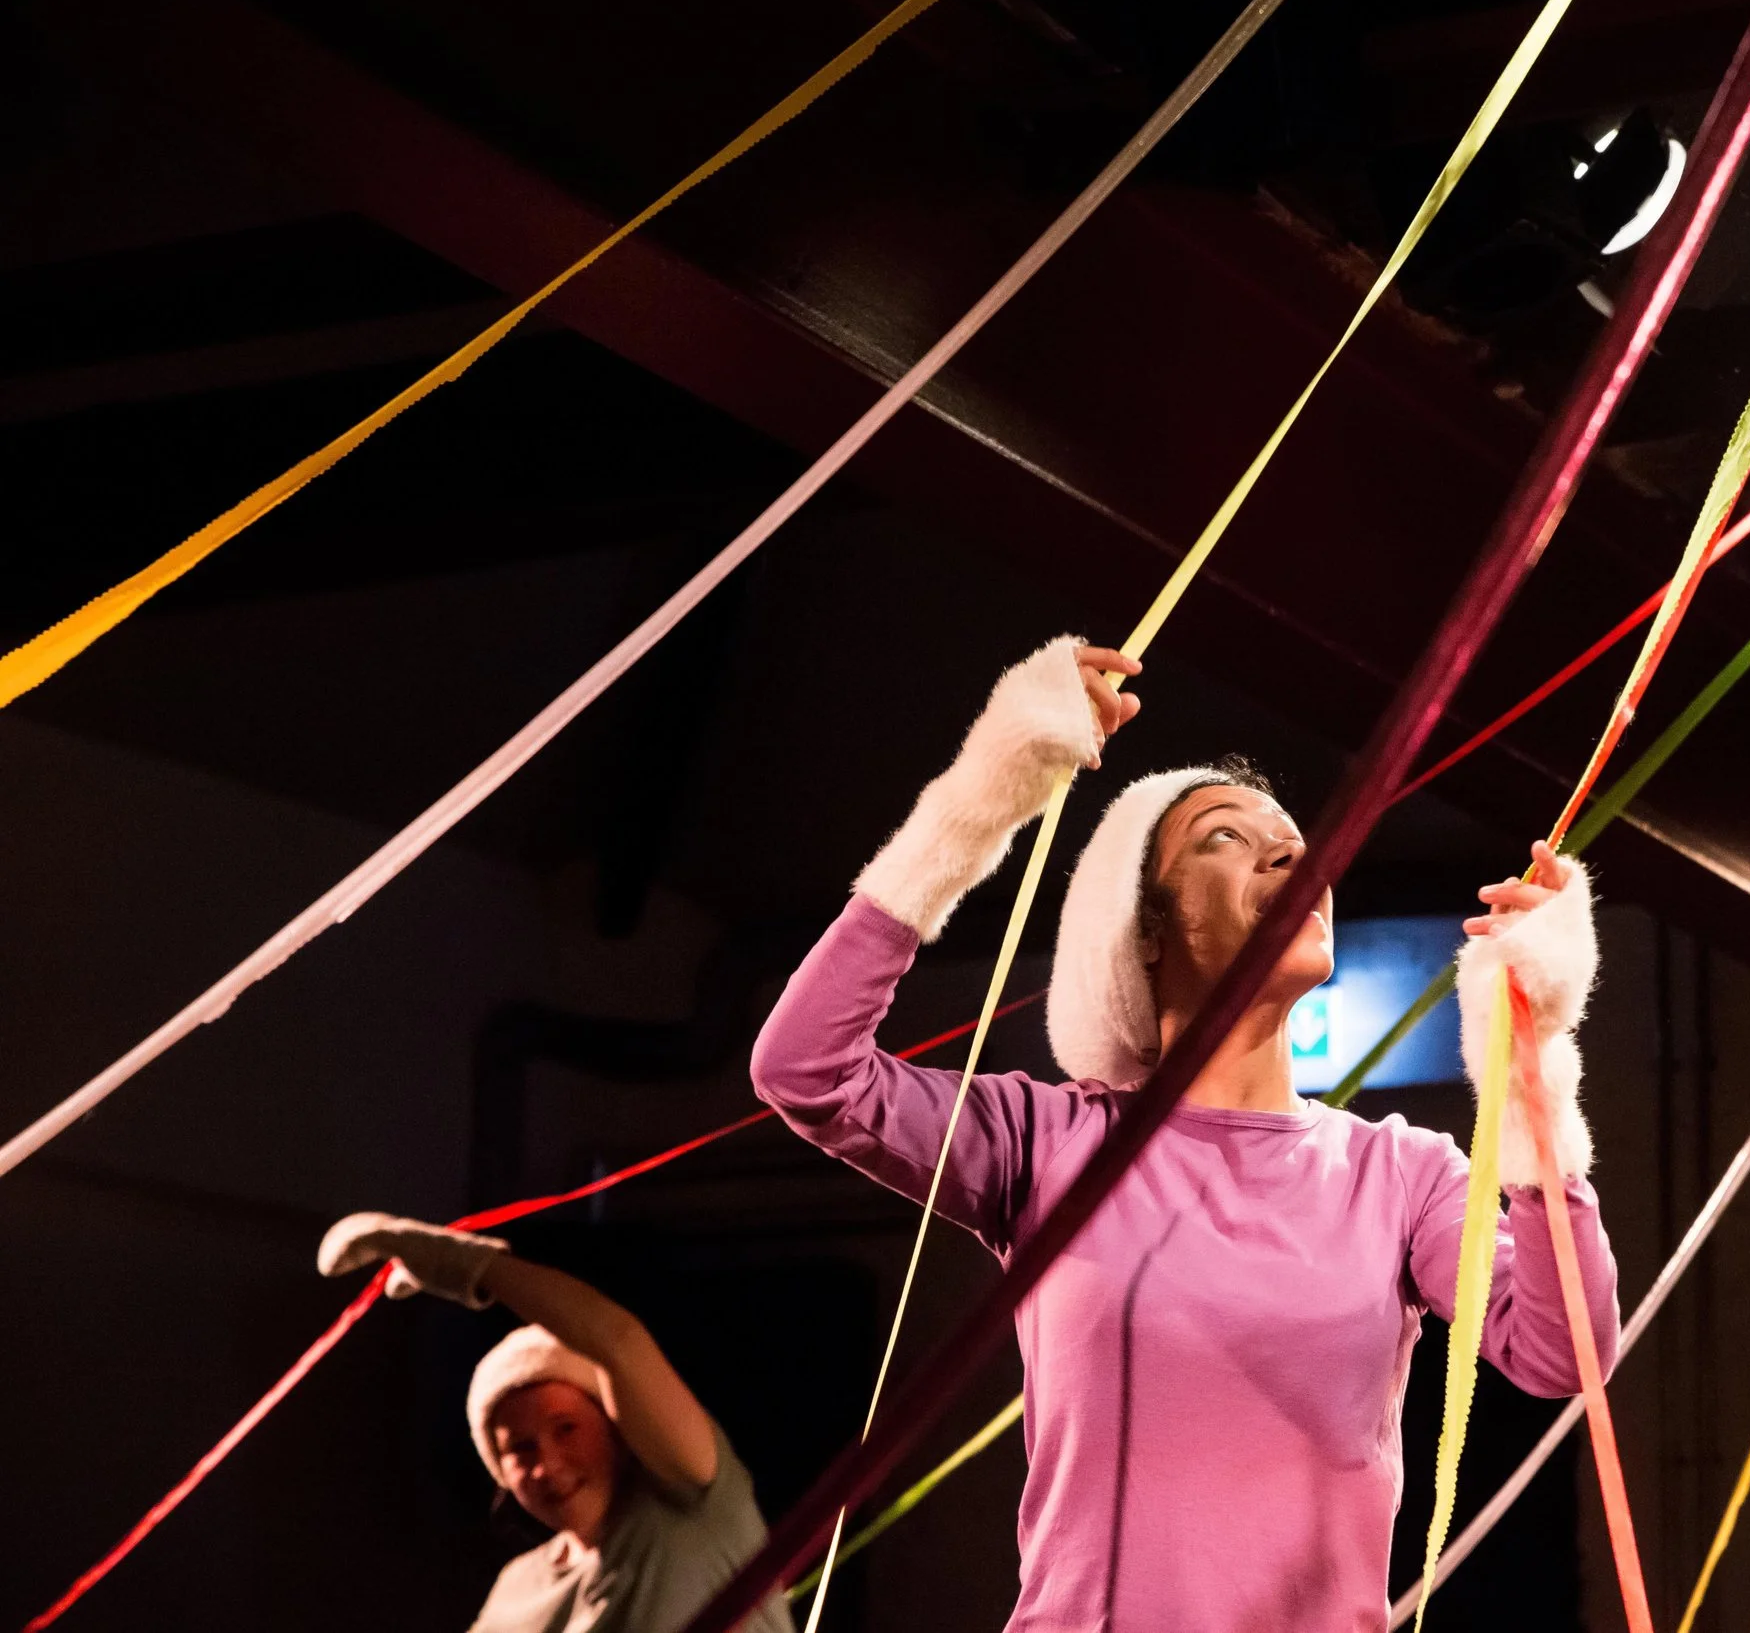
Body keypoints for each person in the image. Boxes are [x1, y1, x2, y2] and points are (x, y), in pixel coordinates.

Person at [750, 635, 1620, 1632]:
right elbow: (805, 1068)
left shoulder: (1396, 1171)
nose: (1292, 852)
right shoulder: (1050, 1140)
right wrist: (972, 805)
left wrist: (1533, 1065)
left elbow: (1563, 1350)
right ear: (1150, 928)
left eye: (1293, 837)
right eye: (1223, 837)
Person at [316, 1212, 797, 1633]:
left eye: (566, 1427)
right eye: (520, 1449)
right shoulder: (518, 1589)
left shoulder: (696, 1505)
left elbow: (617, 1342)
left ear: (613, 1425)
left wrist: (473, 1266)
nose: (548, 1464)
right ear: (500, 1473)